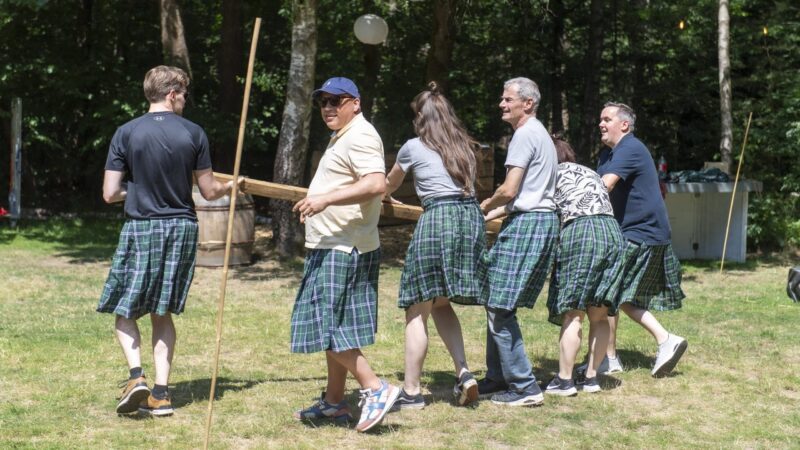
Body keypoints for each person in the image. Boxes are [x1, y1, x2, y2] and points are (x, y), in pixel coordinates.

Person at [98, 65, 235, 417]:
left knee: (125, 309)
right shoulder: (193, 133)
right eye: (184, 94)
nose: (185, 101)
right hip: (182, 228)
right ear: (172, 93)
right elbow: (208, 190)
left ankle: (135, 376)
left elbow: (111, 193)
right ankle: (160, 393)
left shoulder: (125, 132)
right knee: (162, 311)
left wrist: (138, 188)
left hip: (142, 227)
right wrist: (232, 185)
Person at [290, 77, 399, 432]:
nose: (328, 107)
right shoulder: (345, 136)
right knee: (337, 326)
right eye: (323, 101)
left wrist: (323, 199)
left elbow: (375, 183)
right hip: (337, 243)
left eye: (337, 100)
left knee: (324, 326)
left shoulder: (361, 135)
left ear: (356, 102)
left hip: (342, 245)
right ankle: (335, 402)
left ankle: (375, 387)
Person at [384, 82, 486, 410]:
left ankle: (412, 392)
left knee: (417, 305)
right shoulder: (466, 146)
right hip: (470, 220)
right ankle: (464, 372)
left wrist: (383, 195)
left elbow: (389, 183)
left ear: (420, 118)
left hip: (439, 218)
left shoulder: (413, 147)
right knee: (440, 302)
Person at [479, 77, 559, 406]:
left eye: (507, 99)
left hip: (529, 222)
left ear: (527, 103)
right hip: (535, 220)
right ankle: (498, 377)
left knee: (499, 306)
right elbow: (518, 196)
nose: (501, 104)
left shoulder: (525, 134)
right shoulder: (536, 133)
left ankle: (525, 387)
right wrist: (489, 213)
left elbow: (510, 190)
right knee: (497, 301)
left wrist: (482, 206)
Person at [592, 101, 687, 377]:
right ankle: (609, 357)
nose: (601, 123)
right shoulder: (608, 154)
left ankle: (665, 339)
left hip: (641, 233)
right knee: (614, 292)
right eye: (600, 118)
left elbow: (604, 186)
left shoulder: (630, 147)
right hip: (629, 231)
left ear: (624, 124)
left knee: (614, 292)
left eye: (606, 118)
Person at [543, 134, 624, 396]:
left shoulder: (549, 174)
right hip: (612, 233)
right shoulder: (588, 171)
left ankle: (565, 380)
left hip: (582, 230)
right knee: (599, 314)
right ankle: (591, 378)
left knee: (573, 311)